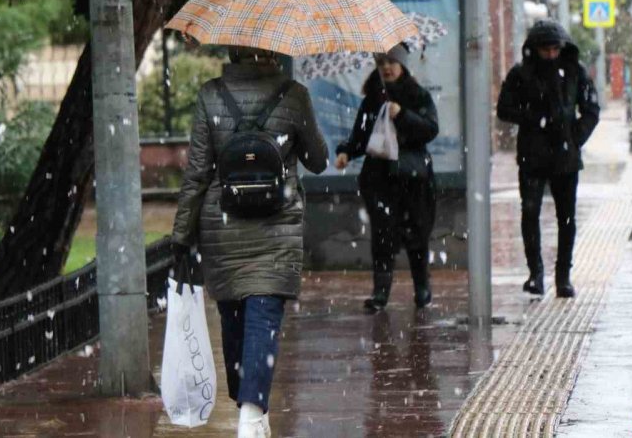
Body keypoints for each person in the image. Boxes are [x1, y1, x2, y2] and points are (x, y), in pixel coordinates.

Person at [170, 46, 328, 438]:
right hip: (276, 227)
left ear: (231, 49)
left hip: (222, 226)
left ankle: (249, 408)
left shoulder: (211, 95)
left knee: (234, 319)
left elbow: (197, 173)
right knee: (264, 316)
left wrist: (181, 235)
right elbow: (318, 159)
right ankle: (252, 414)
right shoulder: (295, 95)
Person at [496, 19, 600, 298]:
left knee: (566, 217)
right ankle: (536, 274)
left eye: (555, 49)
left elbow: (591, 108)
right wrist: (535, 119)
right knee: (530, 213)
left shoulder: (575, 71)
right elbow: (504, 108)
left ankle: (563, 275)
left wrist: (574, 136)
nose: (551, 54)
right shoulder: (521, 74)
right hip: (532, 153)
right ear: (535, 48)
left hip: (565, 156)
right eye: (546, 50)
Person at [334, 43, 439, 311]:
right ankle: (380, 293)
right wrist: (347, 152)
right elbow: (361, 135)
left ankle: (422, 288)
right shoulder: (373, 98)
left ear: (402, 64)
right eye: (382, 63)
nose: (387, 68)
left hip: (414, 179)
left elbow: (430, 129)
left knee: (417, 235)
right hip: (380, 180)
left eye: (392, 62)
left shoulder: (418, 95)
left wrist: (402, 115)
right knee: (383, 236)